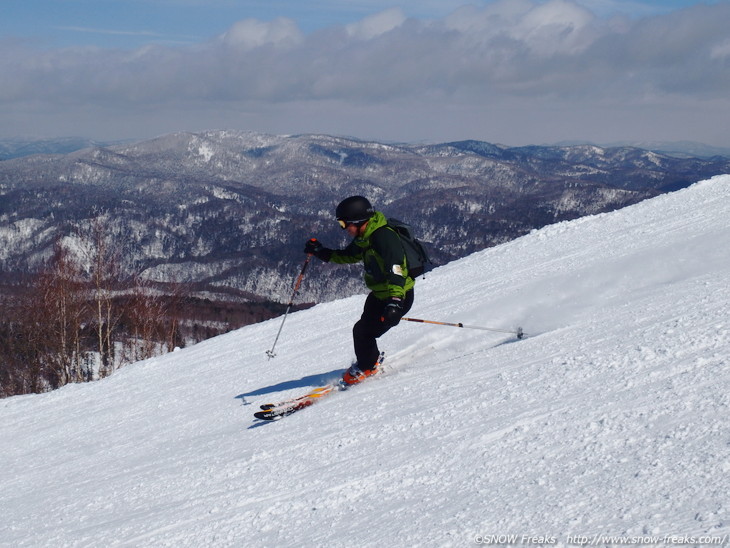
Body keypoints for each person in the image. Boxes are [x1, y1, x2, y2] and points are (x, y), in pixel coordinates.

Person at [304, 196, 415, 385]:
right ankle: (369, 360)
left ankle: (367, 367)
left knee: (364, 332)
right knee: (362, 330)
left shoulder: (383, 237)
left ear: (358, 221)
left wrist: (395, 301)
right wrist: (321, 252)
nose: (343, 228)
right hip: (379, 295)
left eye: (344, 223)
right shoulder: (365, 237)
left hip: (397, 296)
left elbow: (397, 269)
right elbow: (348, 256)